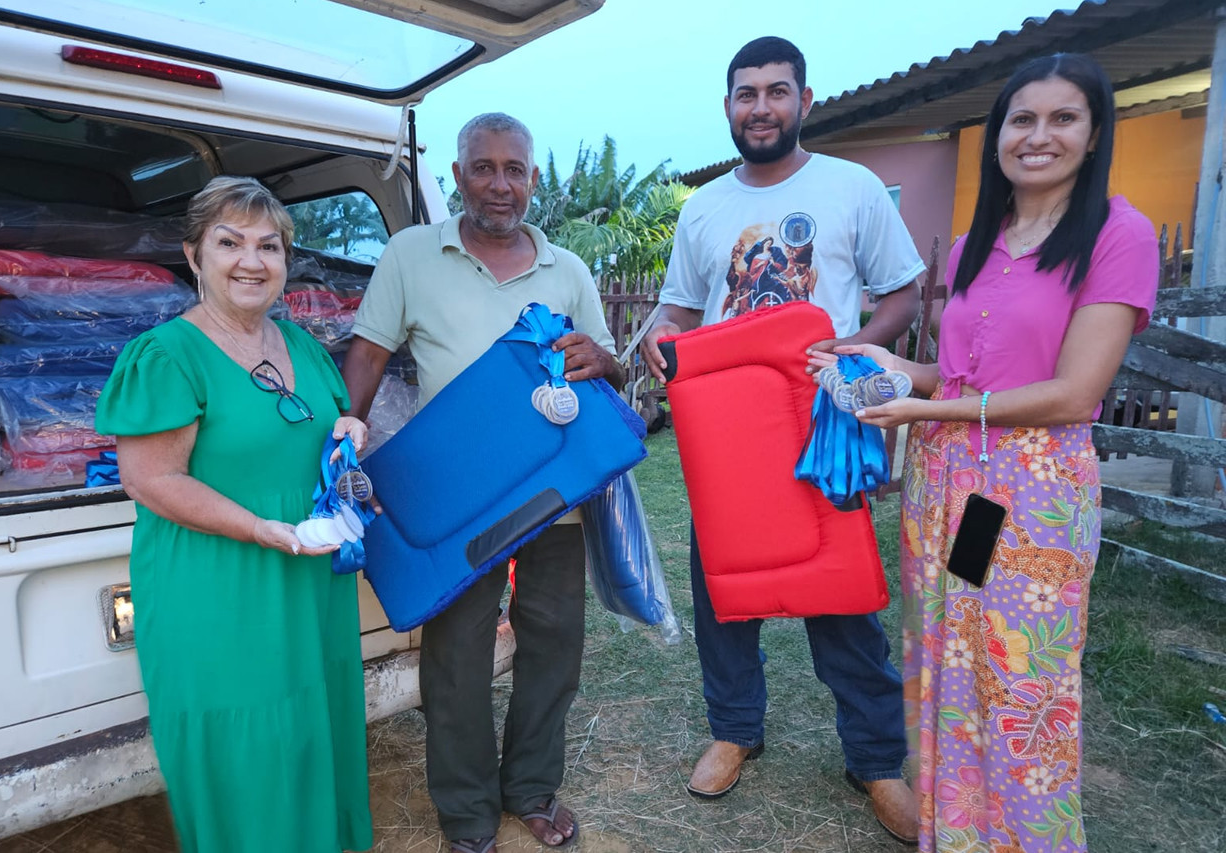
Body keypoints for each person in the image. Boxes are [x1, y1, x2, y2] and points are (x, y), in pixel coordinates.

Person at [811, 54, 1158, 851]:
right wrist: (905, 372)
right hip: (952, 485)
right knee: (951, 660)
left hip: (1031, 491)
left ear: (1095, 131)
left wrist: (931, 405)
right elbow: (966, 371)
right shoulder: (976, 241)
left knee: (1022, 675)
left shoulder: (1118, 234)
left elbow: (1074, 392)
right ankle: (959, 834)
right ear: (998, 135)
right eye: (1021, 119)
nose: (1039, 136)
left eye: (1062, 117)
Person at [640, 36, 924, 845]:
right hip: (729, 431)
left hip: (822, 423)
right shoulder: (702, 209)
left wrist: (856, 345)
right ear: (728, 106)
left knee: (844, 588)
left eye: (775, 91)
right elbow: (681, 311)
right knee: (723, 581)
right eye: (745, 94)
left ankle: (876, 760)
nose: (759, 107)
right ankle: (734, 729)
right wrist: (660, 339)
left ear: (804, 99)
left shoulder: (854, 187)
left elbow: (903, 291)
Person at [342, 112, 621, 853]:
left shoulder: (568, 270)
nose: (500, 184)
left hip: (552, 489)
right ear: (459, 174)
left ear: (533, 178)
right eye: (484, 168)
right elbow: (368, 354)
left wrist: (604, 358)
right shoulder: (411, 255)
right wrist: (346, 438)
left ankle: (530, 786)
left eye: (515, 169)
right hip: (458, 495)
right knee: (457, 653)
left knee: (554, 642)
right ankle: (466, 813)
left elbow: (611, 366)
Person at [95, 176, 374, 852]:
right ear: (194, 255)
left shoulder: (302, 346)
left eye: (269, 246)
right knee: (244, 747)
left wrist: (345, 431)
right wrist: (259, 528)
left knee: (313, 724)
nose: (252, 261)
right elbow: (151, 478)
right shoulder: (166, 355)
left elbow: (313, 428)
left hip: (305, 577)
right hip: (218, 583)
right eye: (230, 242)